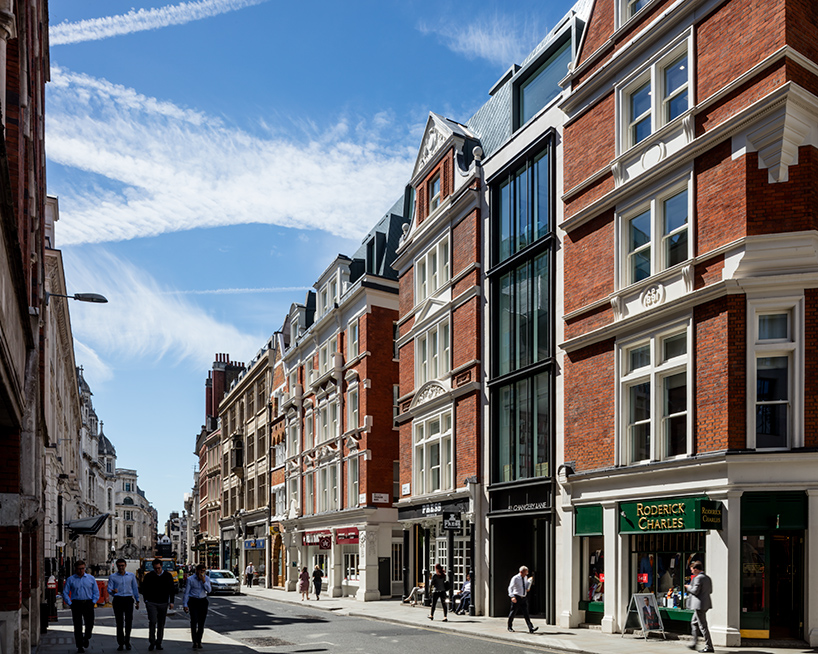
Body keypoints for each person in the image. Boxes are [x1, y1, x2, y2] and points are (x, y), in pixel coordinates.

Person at [63, 560, 100, 653]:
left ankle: (87, 637)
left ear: (85, 568)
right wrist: (70, 603)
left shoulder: (91, 578)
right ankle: (79, 646)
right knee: (78, 625)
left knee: (90, 623)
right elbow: (65, 592)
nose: (81, 570)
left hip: (88, 603)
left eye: (82, 568)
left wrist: (93, 602)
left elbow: (96, 592)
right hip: (76, 604)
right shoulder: (70, 579)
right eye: (79, 569)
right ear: (75, 569)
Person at [142, 558, 176, 651]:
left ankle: (159, 642)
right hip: (152, 602)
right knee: (152, 622)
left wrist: (171, 602)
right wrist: (146, 600)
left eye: (159, 568)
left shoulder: (168, 576)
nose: (157, 570)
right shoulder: (149, 576)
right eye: (155, 568)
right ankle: (152, 642)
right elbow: (144, 588)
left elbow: (171, 589)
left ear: (161, 567)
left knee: (161, 623)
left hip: (163, 602)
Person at [108, 558, 140, 651]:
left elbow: (135, 588)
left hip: (128, 600)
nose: (121, 567)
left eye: (122, 565)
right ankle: (120, 643)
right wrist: (112, 591)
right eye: (119, 566)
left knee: (129, 621)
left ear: (125, 566)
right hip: (118, 599)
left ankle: (127, 641)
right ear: (117, 566)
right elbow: (109, 588)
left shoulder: (131, 576)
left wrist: (137, 600)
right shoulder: (113, 577)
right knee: (119, 622)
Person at [685, 560, 714, 653]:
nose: (691, 571)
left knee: (703, 626)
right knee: (694, 623)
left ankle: (709, 646)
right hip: (704, 604)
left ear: (696, 569)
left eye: (692, 569)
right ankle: (694, 643)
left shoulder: (698, 578)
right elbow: (710, 591)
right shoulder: (707, 578)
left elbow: (695, 591)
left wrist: (688, 587)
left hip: (699, 605)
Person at [183, 564, 212, 649]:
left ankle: (199, 641)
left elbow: (209, 590)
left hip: (203, 601)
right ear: (197, 570)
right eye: (201, 571)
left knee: (201, 623)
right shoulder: (190, 579)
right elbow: (186, 593)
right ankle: (194, 641)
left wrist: (204, 581)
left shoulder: (206, 579)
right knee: (194, 621)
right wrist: (185, 604)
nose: (202, 573)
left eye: (204, 571)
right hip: (193, 601)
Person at [507, 565, 538, 634]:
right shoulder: (515, 578)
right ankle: (509, 626)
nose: (526, 574)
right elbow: (510, 588)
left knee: (526, 613)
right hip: (517, 597)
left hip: (523, 598)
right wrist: (512, 596)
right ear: (521, 572)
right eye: (525, 573)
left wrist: (529, 583)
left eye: (527, 573)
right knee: (513, 613)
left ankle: (531, 628)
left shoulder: (525, 577)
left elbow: (526, 586)